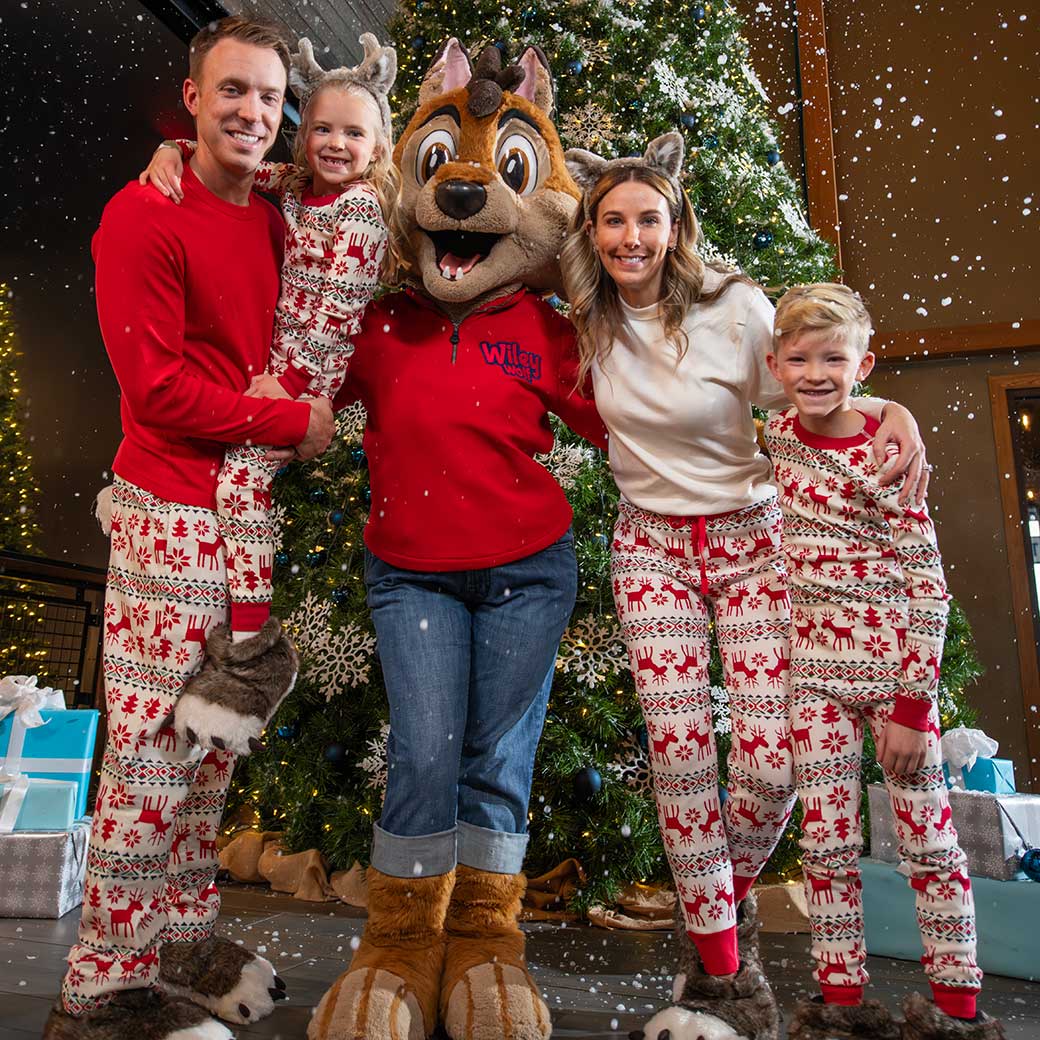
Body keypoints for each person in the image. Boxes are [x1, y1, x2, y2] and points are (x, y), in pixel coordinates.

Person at [562, 133, 929, 1040]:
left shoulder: (734, 308)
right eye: (613, 220)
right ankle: (721, 965)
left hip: (751, 543)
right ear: (593, 232)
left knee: (773, 764)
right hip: (650, 548)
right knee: (683, 759)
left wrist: (894, 409)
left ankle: (713, 902)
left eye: (649, 218)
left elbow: (818, 378)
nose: (631, 237)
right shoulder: (579, 312)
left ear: (676, 223)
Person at [45, 18, 334, 1040]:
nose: (252, 113)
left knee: (212, 749)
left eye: (267, 97)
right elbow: (159, 391)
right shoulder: (141, 216)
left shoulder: (273, 213)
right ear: (193, 97)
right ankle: (104, 981)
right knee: (154, 754)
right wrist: (290, 420)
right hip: (169, 513)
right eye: (232, 93)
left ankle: (182, 938)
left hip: (243, 520)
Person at [765, 284, 1003, 1040]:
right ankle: (840, 1008)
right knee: (826, 846)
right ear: (774, 365)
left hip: (894, 684)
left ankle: (956, 1009)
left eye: (833, 358)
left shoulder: (889, 454)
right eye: (797, 358)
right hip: (813, 687)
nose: (814, 372)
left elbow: (928, 588)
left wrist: (912, 706)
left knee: (929, 843)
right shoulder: (777, 439)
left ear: (863, 363)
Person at [139, 34, 396, 724]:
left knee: (240, 483)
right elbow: (225, 167)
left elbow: (337, 315)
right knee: (231, 482)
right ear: (301, 133)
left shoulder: (360, 212)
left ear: (378, 146)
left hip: (306, 377)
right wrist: (172, 152)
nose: (336, 145)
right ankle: (239, 633)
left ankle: (252, 651)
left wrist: (288, 384)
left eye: (354, 134)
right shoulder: (290, 188)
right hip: (272, 374)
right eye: (322, 129)